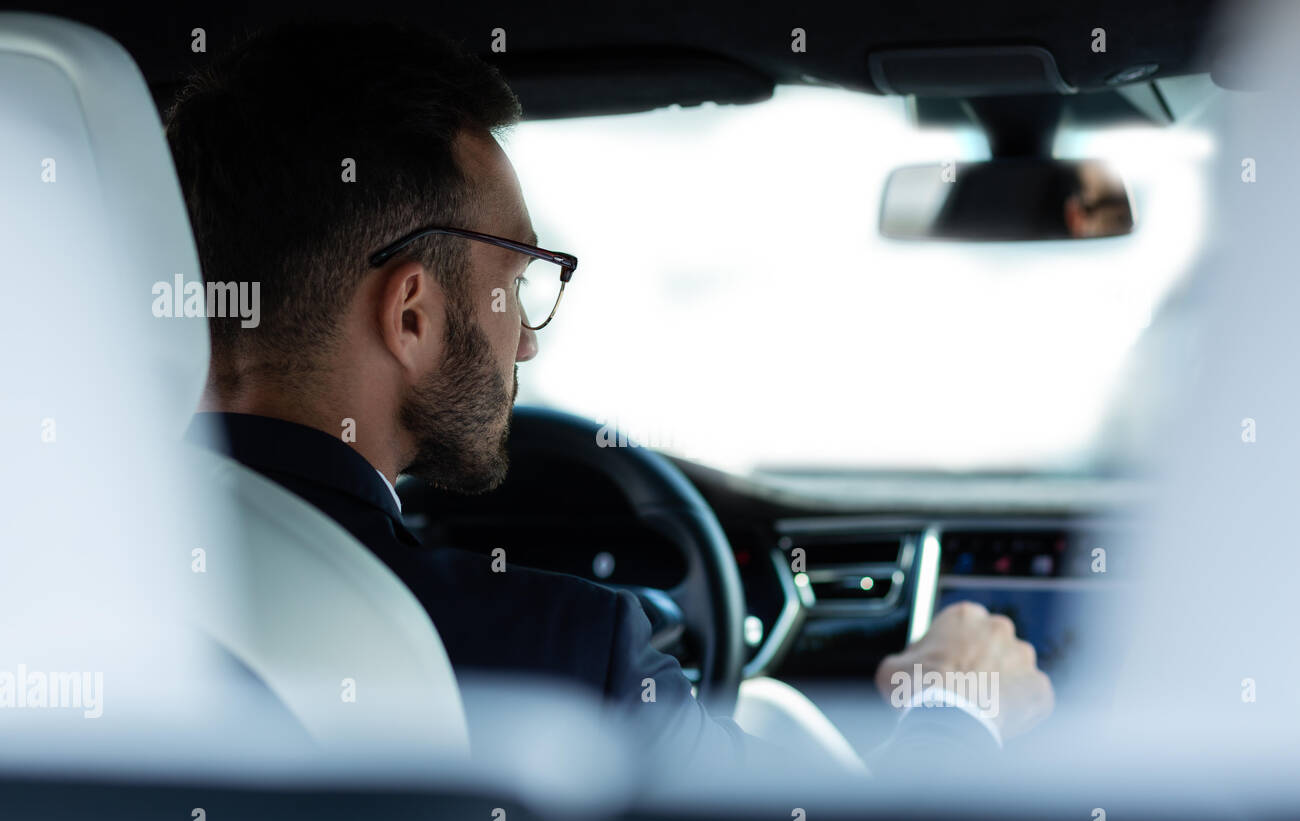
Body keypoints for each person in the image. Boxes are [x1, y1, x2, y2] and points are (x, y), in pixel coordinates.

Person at [165, 21, 1052, 770]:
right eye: (517, 280)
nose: (529, 337)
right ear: (412, 314)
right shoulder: (565, 658)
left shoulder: (50, 575)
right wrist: (957, 715)